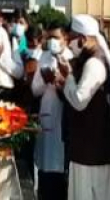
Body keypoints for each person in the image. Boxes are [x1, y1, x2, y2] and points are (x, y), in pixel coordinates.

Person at [58, 14, 110, 200]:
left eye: (71, 39)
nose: (68, 45)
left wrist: (67, 76)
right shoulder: (89, 59)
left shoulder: (94, 63)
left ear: (82, 39)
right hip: (86, 151)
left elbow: (79, 101)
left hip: (92, 153)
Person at [31, 22, 70, 200]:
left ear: (65, 39)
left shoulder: (72, 59)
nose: (53, 41)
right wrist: (46, 81)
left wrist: (60, 81)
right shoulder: (44, 57)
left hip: (63, 123)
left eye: (57, 37)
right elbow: (35, 89)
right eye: (50, 37)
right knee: (45, 171)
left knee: (60, 175)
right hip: (46, 120)